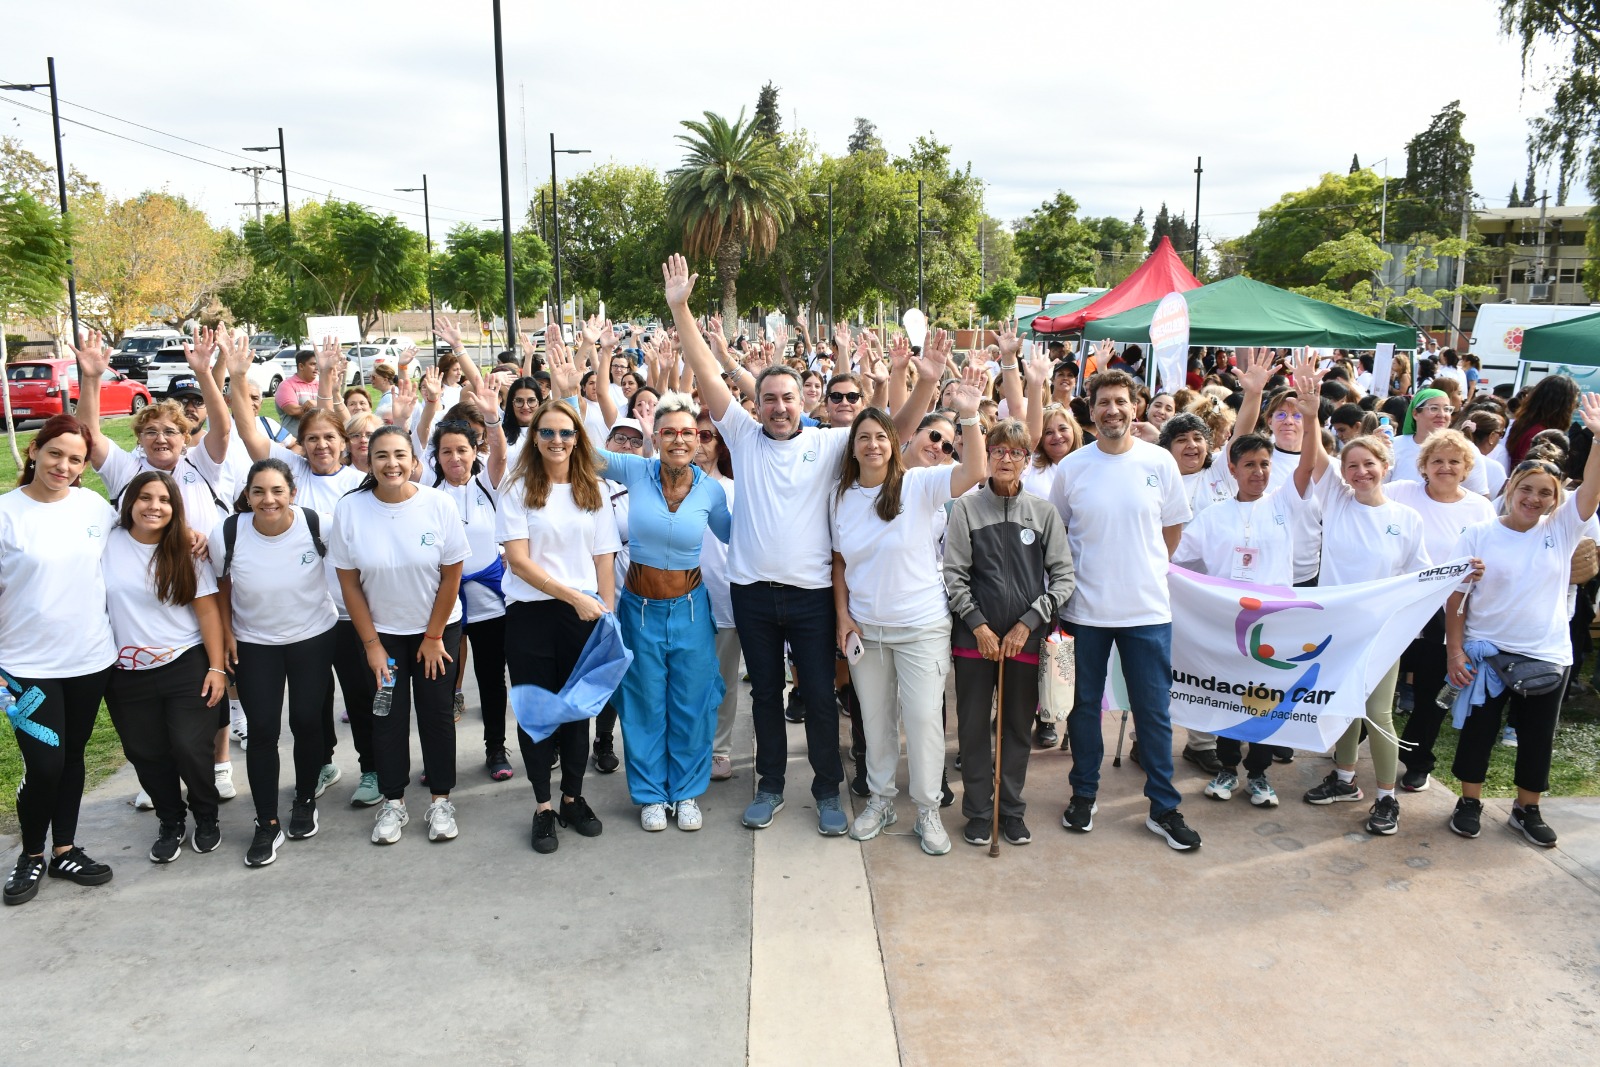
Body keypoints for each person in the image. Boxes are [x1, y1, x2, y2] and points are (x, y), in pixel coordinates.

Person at [663, 254, 931, 834]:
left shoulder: (830, 443)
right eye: (769, 399)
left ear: (799, 404)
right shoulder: (742, 435)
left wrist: (922, 379)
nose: (780, 407)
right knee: (764, 699)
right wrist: (680, 307)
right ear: (754, 405)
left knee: (814, 695)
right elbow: (707, 373)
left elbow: (896, 432)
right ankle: (770, 786)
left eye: (788, 398)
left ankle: (828, 792)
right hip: (753, 595)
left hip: (811, 596)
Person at [576, 352, 732, 832]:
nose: (680, 439)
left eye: (689, 432)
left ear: (700, 439)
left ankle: (684, 792)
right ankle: (649, 794)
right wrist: (571, 390)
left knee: (691, 701)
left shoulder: (711, 491)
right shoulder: (635, 470)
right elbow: (583, 452)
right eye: (670, 432)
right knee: (642, 703)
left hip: (691, 610)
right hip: (638, 610)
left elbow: (737, 537)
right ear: (656, 437)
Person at [834, 381, 987, 855]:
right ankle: (879, 801)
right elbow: (839, 563)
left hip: (921, 626)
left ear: (893, 443)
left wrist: (968, 416)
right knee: (875, 722)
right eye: (864, 438)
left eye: (881, 436)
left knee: (923, 722)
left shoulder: (920, 484)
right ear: (854, 447)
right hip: (866, 630)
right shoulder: (840, 497)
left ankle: (926, 809)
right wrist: (842, 617)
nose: (874, 445)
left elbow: (975, 470)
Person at [1051, 369, 1201, 851]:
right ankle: (1083, 794)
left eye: (1120, 401)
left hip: (1147, 613)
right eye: (1102, 403)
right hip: (1084, 613)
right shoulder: (1072, 468)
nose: (1112, 410)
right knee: (1083, 710)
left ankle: (1163, 807)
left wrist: (1141, 569)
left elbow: (1171, 532)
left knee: (1153, 713)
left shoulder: (1159, 462)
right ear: (1090, 410)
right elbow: (1060, 537)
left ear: (1134, 407)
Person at [224, 335, 369, 804]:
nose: (321, 445)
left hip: (351, 613)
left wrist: (328, 378)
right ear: (300, 446)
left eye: (330, 438)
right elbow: (250, 434)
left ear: (343, 443)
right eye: (312, 439)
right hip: (305, 618)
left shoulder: (360, 483)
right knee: (314, 705)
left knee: (360, 696)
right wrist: (239, 376)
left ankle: (370, 768)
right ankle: (323, 763)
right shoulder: (291, 475)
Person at [1444, 415, 1600, 844]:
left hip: (1546, 654)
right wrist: (1455, 652)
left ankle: (1526, 808)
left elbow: (1590, 490)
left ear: (1555, 500)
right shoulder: (1477, 533)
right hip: (1485, 654)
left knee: (1536, 739)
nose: (1534, 498)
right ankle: (1469, 801)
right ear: (1510, 487)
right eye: (1526, 488)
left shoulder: (1563, 530)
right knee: (1479, 732)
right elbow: (1455, 598)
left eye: (1545, 493)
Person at [1292, 358, 1429, 835]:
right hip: (1338, 626)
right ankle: (1345, 778)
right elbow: (1316, 460)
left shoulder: (1407, 520)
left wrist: (1462, 574)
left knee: (1378, 712)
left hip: (1382, 631)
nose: (1360, 471)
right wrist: (1310, 416)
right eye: (1352, 465)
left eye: (1369, 464)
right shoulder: (1335, 499)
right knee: (1340, 703)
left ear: (1386, 467)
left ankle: (1387, 797)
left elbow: (1423, 576)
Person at [330, 426, 470, 846]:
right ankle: (394, 802)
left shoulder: (438, 504)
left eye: (400, 455)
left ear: (414, 461)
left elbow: (451, 576)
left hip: (437, 631)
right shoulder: (351, 510)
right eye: (381, 456)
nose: (391, 464)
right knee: (386, 718)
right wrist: (372, 646)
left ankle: (441, 799)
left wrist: (432, 636)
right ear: (367, 462)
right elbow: (349, 583)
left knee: (436, 715)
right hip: (382, 636)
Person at [1, 417, 119, 905]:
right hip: (26, 666)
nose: (64, 466)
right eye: (55, 454)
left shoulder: (94, 507)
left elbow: (143, 539)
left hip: (90, 658)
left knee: (72, 758)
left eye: (76, 459)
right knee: (45, 765)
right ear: (34, 450)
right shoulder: (6, 513)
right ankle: (31, 854)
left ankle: (65, 849)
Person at [495, 395, 618, 853]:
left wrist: (606, 612)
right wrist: (573, 597)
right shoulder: (517, 488)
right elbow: (520, 563)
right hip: (532, 615)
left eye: (566, 432)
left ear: (578, 438)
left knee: (576, 711)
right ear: (534, 437)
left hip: (584, 617)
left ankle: (572, 797)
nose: (557, 440)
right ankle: (543, 806)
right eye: (546, 432)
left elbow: (604, 558)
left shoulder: (595, 490)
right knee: (537, 713)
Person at [946, 417, 1075, 847]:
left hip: (1026, 639)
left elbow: (1063, 579)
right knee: (973, 727)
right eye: (998, 450)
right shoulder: (965, 508)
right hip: (974, 640)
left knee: (1018, 727)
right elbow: (954, 576)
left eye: (1015, 453)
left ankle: (1011, 810)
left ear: (1026, 460)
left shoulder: (1044, 513)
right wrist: (978, 625)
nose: (1005, 459)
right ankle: (980, 811)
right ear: (987, 457)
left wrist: (1028, 622)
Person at [213, 459, 340, 866]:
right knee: (263, 730)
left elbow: (352, 565)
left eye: (277, 491)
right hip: (255, 644)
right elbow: (220, 582)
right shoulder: (230, 531)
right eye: (258, 492)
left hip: (313, 637)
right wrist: (228, 630)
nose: (268, 500)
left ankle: (304, 800)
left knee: (306, 720)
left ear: (292, 494)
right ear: (247, 495)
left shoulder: (317, 524)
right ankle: (266, 822)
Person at [103, 471, 228, 864]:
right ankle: (170, 820)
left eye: (164, 500)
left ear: (175, 508)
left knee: (190, 747)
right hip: (124, 672)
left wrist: (217, 668)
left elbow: (208, 613)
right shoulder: (107, 542)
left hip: (185, 662)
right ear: (129, 503)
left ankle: (206, 815)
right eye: (144, 498)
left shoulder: (185, 551)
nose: (153, 506)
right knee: (145, 752)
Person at [1173, 434, 1301, 805]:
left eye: (1264, 464)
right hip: (1227, 625)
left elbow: (1308, 468)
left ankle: (1259, 774)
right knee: (1229, 696)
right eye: (1249, 464)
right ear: (1232, 469)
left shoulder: (1284, 506)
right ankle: (1228, 768)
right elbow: (1175, 555)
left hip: (1273, 625)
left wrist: (1308, 416)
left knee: (1264, 698)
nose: (1258, 472)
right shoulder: (1213, 518)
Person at [1388, 431, 1496, 791]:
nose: (1445, 467)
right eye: (1437, 460)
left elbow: (1491, 556)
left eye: (1454, 461)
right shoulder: (1401, 492)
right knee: (1378, 682)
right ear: (1424, 466)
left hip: (1448, 614)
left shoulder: (1480, 508)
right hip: (1401, 607)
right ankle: (1354, 747)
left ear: (1466, 468)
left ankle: (1418, 760)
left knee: (1433, 692)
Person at [426, 378, 513, 782]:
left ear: (473, 450)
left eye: (462, 449)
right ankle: (439, 761)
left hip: (491, 602)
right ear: (437, 457)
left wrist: (494, 418)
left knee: (492, 680)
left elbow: (500, 453)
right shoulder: (427, 493)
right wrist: (428, 406)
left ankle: (496, 749)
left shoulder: (489, 484)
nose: (455, 458)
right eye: (447, 452)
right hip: (444, 603)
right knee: (440, 687)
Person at [694, 409, 740, 782]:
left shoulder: (735, 488)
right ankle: (689, 746)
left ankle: (720, 748)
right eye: (691, 434)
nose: (697, 442)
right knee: (685, 681)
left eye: (706, 436)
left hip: (725, 600)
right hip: (679, 601)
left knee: (721, 679)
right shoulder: (667, 484)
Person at [1390, 390, 1491, 496]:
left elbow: (1481, 495)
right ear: (1415, 414)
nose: (1442, 414)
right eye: (1434, 408)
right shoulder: (1395, 445)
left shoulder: (1465, 447)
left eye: (1447, 409)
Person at [1505, 375, 1579, 465]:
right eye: (1573, 404)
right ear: (1561, 406)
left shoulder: (1526, 422)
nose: (1574, 408)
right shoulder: (1540, 434)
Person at [274, 349, 322, 439]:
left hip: (317, 440)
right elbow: (293, 411)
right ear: (301, 366)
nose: (317, 368)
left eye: (318, 365)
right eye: (312, 364)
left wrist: (316, 404)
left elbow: (332, 409)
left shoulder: (320, 385)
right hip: (293, 441)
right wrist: (322, 408)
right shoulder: (286, 385)